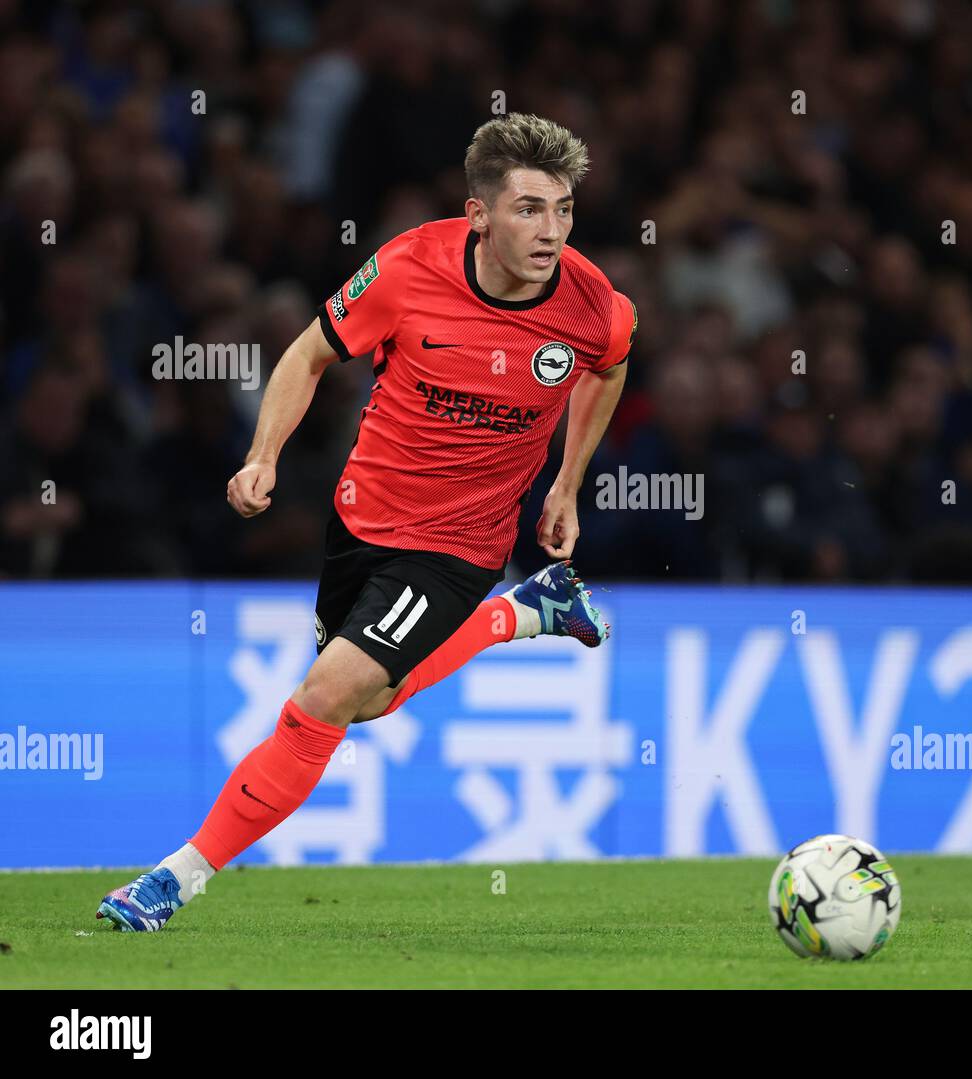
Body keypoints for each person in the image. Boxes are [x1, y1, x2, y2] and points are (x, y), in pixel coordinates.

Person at [97, 113, 636, 931]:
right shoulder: (407, 269)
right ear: (478, 213)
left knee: (326, 694)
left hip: (460, 544)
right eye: (528, 208)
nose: (551, 231)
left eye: (563, 209)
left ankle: (175, 877)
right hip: (364, 517)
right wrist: (264, 455)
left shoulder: (593, 304)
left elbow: (610, 364)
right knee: (369, 702)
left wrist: (567, 481)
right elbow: (307, 354)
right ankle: (525, 612)